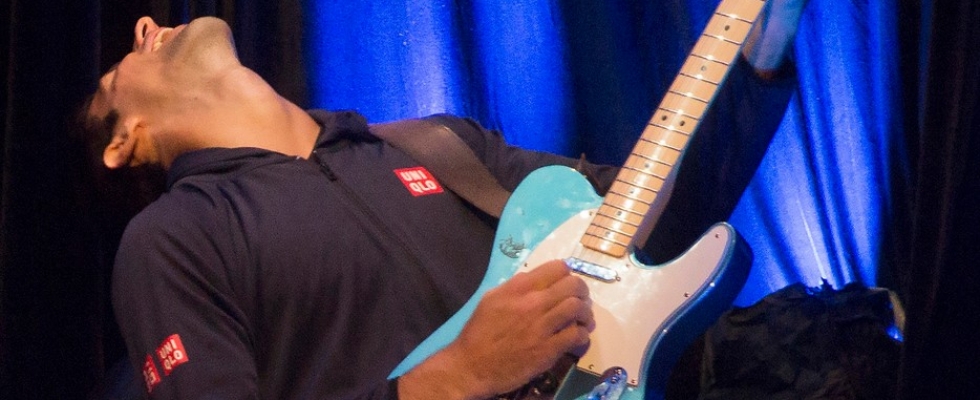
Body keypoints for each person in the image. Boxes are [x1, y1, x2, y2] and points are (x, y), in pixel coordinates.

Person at [84, 1, 806, 398]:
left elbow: (653, 213)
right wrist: (458, 374)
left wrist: (760, 43)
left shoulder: (436, 145)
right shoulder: (173, 238)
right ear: (125, 140)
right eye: (118, 73)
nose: (143, 25)